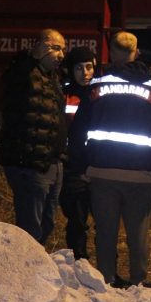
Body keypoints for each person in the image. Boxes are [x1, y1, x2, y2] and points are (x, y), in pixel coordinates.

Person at [82, 31, 151, 287]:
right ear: (137, 53)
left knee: (106, 232)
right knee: (138, 233)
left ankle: (106, 279)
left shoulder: (96, 86)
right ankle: (138, 281)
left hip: (102, 172)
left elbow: (80, 127)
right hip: (141, 175)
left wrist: (81, 165)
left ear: (111, 51)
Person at [0, 29, 67, 245]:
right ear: (39, 48)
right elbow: (13, 79)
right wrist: (32, 57)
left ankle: (35, 267)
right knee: (30, 228)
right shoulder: (23, 72)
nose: (61, 54)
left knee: (47, 224)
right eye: (55, 48)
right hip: (29, 164)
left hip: (51, 163)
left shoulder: (52, 78)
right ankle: (25, 272)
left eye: (63, 49)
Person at [59, 47, 97, 260]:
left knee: (103, 221)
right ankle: (78, 261)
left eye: (89, 67)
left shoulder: (100, 93)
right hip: (73, 165)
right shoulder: (64, 95)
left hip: (97, 163)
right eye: (79, 68)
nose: (85, 73)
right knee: (77, 218)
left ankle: (108, 270)